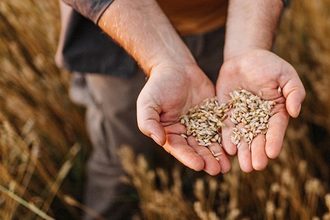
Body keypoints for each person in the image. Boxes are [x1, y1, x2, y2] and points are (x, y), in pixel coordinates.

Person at [56, 0, 305, 219]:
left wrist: (250, 46)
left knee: (214, 154)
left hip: (236, 22)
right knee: (120, 156)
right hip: (121, 27)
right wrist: (160, 58)